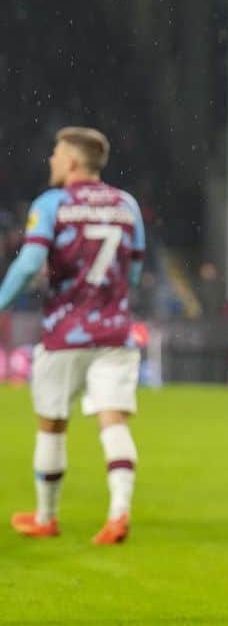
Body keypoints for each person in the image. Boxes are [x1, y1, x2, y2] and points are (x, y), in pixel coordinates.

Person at [0, 127, 145, 544]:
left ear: (74, 163)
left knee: (51, 425)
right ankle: (119, 512)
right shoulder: (127, 205)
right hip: (115, 331)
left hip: (65, 332)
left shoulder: (53, 204)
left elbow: (29, 264)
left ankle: (47, 516)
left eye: (57, 155)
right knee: (113, 421)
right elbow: (133, 271)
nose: (52, 161)